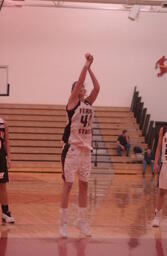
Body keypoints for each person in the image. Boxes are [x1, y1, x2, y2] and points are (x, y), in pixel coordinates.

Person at [59, 53, 100, 238]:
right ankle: (63, 223)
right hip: (73, 150)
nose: (83, 87)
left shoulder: (88, 102)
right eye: (79, 86)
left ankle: (81, 221)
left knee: (84, 186)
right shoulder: (72, 103)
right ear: (75, 91)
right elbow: (80, 79)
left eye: (83, 86)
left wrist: (91, 69)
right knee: (68, 185)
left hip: (86, 150)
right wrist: (86, 64)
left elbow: (98, 87)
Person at [0, 118, 15, 224]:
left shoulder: (3, 124)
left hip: (0, 158)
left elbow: (6, 141)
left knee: (2, 186)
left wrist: (8, 158)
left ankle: (5, 213)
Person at [152, 125, 167, 227]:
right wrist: (156, 162)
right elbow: (158, 147)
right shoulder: (163, 129)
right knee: (162, 191)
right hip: (165, 163)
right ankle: (157, 216)